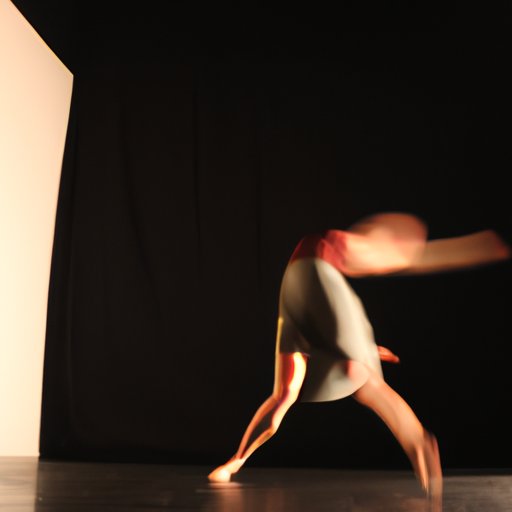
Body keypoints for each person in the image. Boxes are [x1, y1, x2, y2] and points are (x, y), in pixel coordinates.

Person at [207, 212, 511, 497]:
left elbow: (422, 258)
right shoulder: (348, 246)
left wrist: (472, 248)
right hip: (302, 289)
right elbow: (416, 258)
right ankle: (236, 461)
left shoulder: (348, 249)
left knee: (329, 387)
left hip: (299, 286)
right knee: (289, 393)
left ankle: (419, 442)